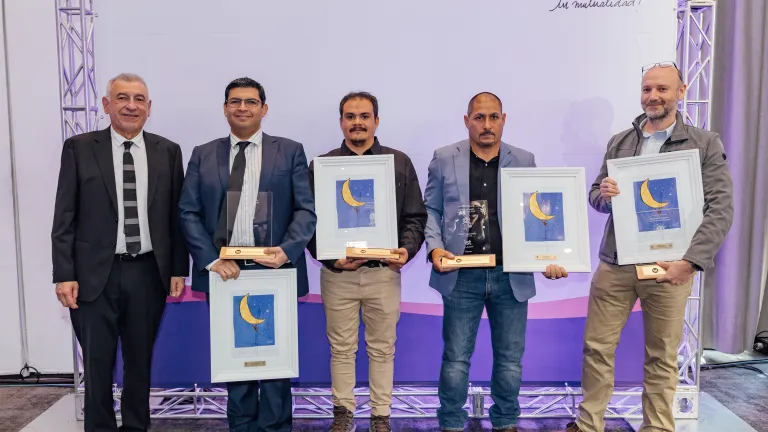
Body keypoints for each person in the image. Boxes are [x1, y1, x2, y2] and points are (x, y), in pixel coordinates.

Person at [565, 63, 734, 432]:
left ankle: (657, 427)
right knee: (596, 349)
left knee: (661, 357)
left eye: (661, 89)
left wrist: (690, 262)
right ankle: (588, 424)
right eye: (646, 89)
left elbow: (720, 208)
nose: (652, 97)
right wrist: (604, 195)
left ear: (681, 91)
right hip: (616, 264)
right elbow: (596, 194)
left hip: (671, 266)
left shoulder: (705, 143)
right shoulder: (621, 141)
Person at [51, 73, 189, 432]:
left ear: (149, 107)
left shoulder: (168, 151)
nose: (131, 105)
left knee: (139, 364)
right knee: (97, 365)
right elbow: (64, 215)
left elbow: (177, 217)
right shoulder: (80, 148)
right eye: (123, 97)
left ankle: (135, 428)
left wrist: (178, 268)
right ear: (106, 104)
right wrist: (63, 273)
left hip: (148, 274)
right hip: (94, 276)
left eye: (139, 99)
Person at [424, 92, 569, 432]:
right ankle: (451, 423)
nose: (486, 125)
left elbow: (539, 213)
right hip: (461, 274)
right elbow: (430, 208)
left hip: (511, 274)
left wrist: (550, 256)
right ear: (467, 120)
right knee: (456, 359)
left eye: (493, 117)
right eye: (479, 117)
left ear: (504, 119)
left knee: (509, 361)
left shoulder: (524, 159)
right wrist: (434, 248)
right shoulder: (444, 158)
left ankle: (506, 422)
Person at [178, 77, 316, 432]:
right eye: (235, 102)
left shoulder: (290, 151)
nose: (243, 108)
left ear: (264, 109)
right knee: (235, 357)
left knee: (274, 360)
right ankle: (240, 426)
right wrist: (211, 259)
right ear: (225, 109)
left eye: (251, 102)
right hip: (225, 270)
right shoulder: (202, 154)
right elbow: (187, 212)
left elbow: (306, 210)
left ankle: (275, 426)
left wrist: (287, 252)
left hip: (275, 269)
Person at [307, 91, 427, 432]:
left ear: (376, 120)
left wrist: (405, 250)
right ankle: (343, 413)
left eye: (364, 115)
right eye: (349, 116)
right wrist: (329, 258)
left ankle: (380, 416)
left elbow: (415, 216)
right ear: (341, 121)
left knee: (382, 348)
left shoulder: (398, 162)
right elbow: (309, 221)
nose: (357, 122)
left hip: (383, 273)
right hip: (338, 275)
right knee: (341, 348)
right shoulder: (323, 166)